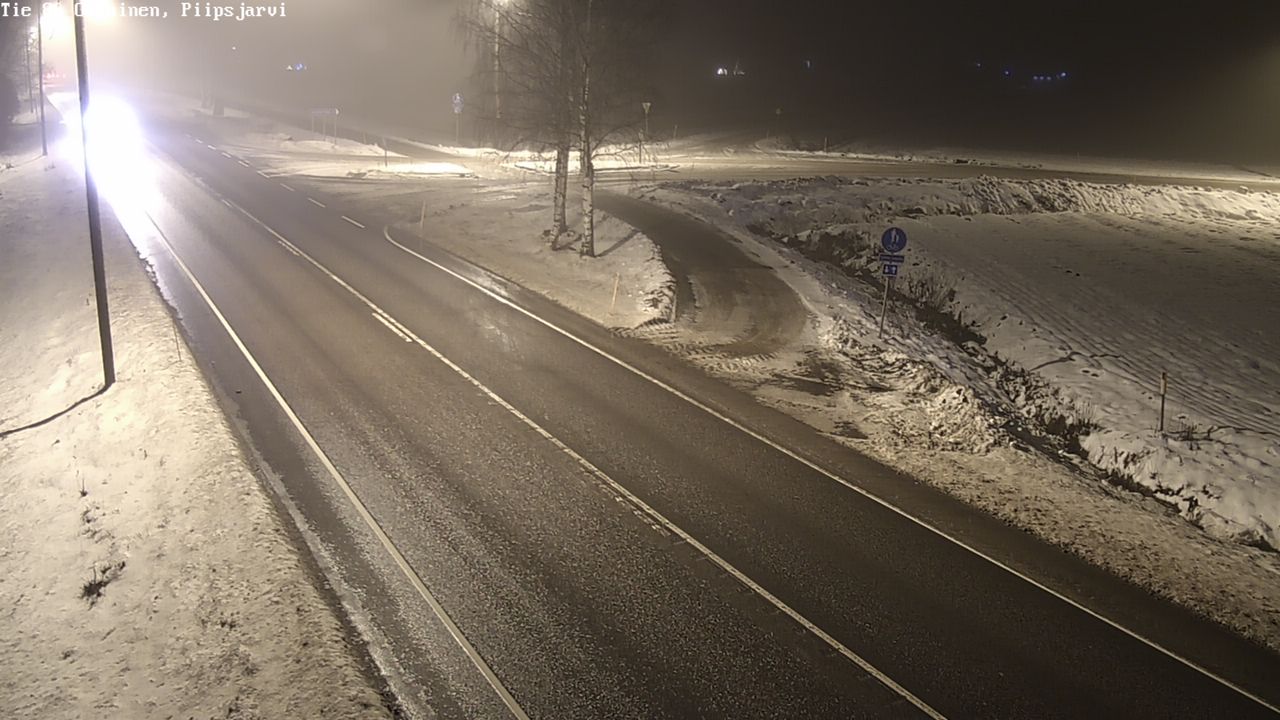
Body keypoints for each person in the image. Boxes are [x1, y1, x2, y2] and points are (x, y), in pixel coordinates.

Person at [0, 73, 18, 150]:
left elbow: (11, 97)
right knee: (3, 128)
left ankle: (2, 146)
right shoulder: (6, 80)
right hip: (4, 111)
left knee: (3, 128)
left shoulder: (5, 81)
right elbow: (12, 97)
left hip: (4, 111)